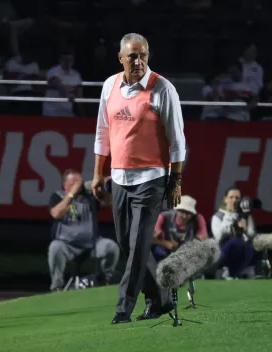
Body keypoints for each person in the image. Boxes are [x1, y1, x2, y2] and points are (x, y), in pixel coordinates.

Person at [91, 33, 186, 324]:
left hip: (152, 179)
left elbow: (178, 141)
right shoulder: (109, 85)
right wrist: (98, 173)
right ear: (120, 58)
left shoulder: (163, 89)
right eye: (132, 56)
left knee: (137, 245)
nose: (139, 61)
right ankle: (161, 298)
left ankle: (123, 309)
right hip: (119, 178)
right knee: (127, 243)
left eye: (143, 55)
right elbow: (102, 133)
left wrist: (176, 181)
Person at [48, 169, 120, 291]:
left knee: (110, 247)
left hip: (92, 244)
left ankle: (106, 280)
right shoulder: (58, 195)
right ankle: (57, 286)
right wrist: (71, 194)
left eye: (79, 182)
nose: (78, 186)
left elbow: (109, 203)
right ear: (65, 185)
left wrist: (103, 187)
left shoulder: (89, 198)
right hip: (67, 245)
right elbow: (56, 213)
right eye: (73, 183)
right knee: (55, 247)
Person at [211, 186, 259, 279]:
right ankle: (227, 272)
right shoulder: (218, 216)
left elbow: (252, 235)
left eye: (237, 198)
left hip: (243, 250)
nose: (234, 200)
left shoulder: (246, 215)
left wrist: (245, 229)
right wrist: (229, 214)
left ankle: (238, 273)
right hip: (223, 251)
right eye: (231, 197)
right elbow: (218, 236)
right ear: (225, 199)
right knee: (235, 242)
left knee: (248, 246)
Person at [152, 195, 208, 262]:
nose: (184, 216)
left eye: (188, 213)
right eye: (182, 211)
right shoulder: (163, 216)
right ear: (176, 209)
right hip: (161, 255)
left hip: (185, 258)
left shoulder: (198, 219)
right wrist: (164, 243)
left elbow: (204, 238)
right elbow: (151, 238)